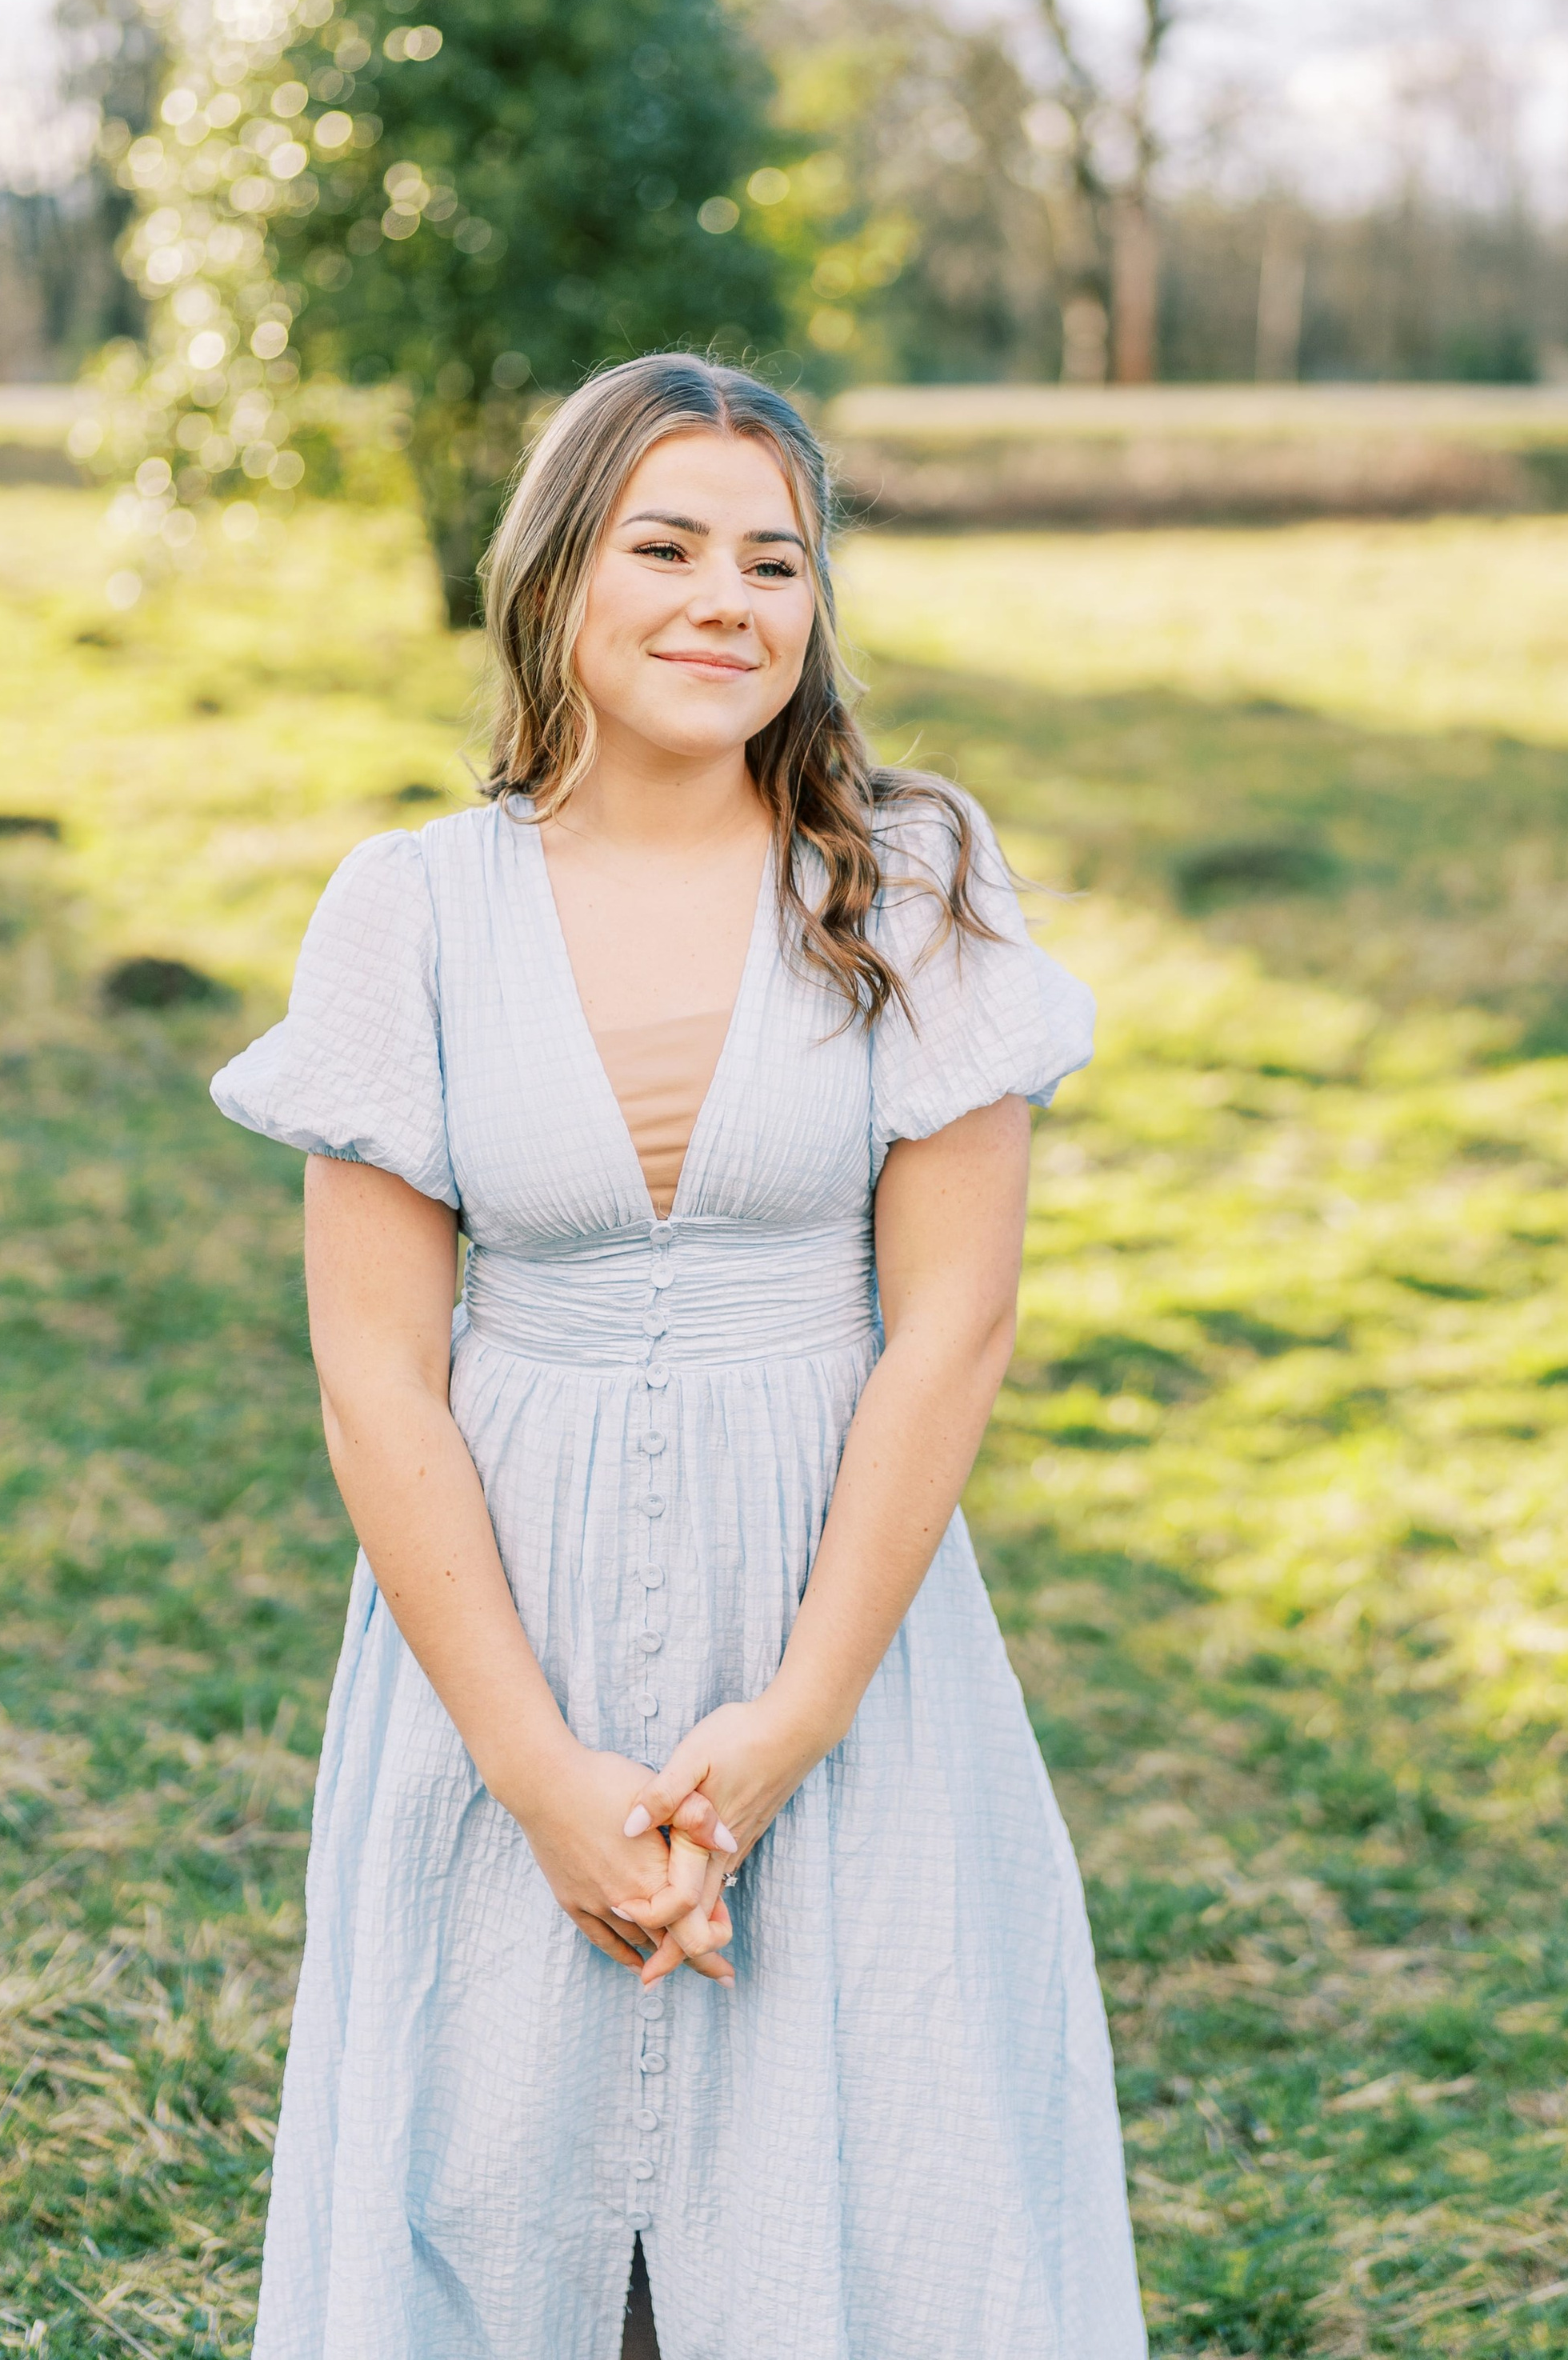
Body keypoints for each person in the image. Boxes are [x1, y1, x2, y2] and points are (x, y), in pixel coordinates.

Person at [210, 352, 1146, 2360]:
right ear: (555, 576)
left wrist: (798, 1708)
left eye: (774, 559)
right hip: (500, 1623)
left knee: (870, 2173)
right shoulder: (408, 909)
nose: (726, 598)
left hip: (839, 1622)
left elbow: (949, 1326)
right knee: (490, 2175)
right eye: (666, 545)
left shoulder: (907, 877)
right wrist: (543, 1773)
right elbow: (380, 1377)